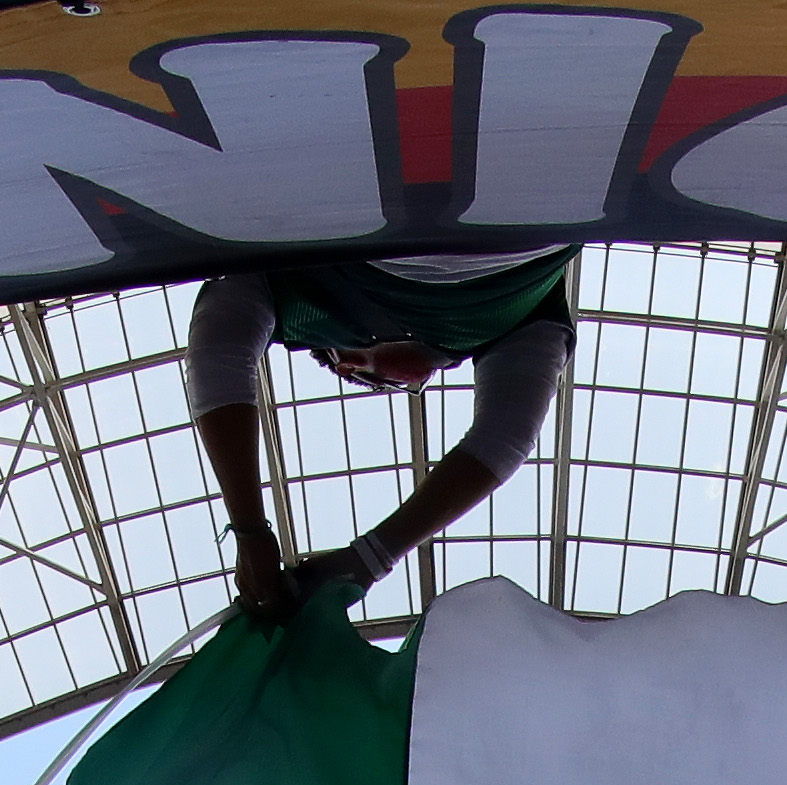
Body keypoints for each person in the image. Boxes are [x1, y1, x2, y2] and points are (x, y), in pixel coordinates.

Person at [187, 247, 575, 617]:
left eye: (394, 384)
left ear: (348, 363)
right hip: (534, 234)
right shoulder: (520, 318)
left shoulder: (296, 303)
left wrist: (251, 531)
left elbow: (218, 353)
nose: (422, 379)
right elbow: (506, 436)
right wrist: (369, 558)